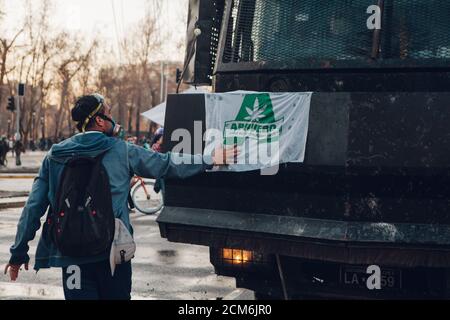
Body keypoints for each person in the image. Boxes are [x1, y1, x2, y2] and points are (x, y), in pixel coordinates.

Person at [4, 93, 235, 300]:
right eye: (110, 114)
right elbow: (166, 164)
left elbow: (33, 207)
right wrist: (209, 158)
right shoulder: (122, 150)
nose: (115, 120)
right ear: (100, 121)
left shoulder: (54, 155)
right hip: (114, 252)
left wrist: (18, 253)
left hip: (70, 252)